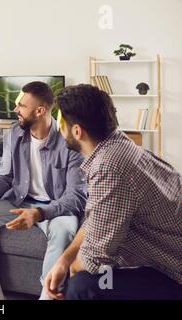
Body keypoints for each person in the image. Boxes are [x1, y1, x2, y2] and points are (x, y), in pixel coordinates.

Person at [0, 82, 87, 300]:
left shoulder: (69, 140)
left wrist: (42, 213)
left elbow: (76, 197)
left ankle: (47, 295)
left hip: (56, 207)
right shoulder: (15, 132)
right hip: (20, 200)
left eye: (21, 106)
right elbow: (5, 177)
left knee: (64, 231)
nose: (16, 111)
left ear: (40, 110)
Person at [45, 84, 182, 300]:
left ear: (77, 131)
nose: (59, 130)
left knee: (82, 285)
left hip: (173, 274)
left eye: (61, 124)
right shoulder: (117, 143)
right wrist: (64, 260)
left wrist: (71, 269)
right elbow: (96, 219)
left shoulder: (108, 168)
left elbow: (93, 260)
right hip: (165, 258)